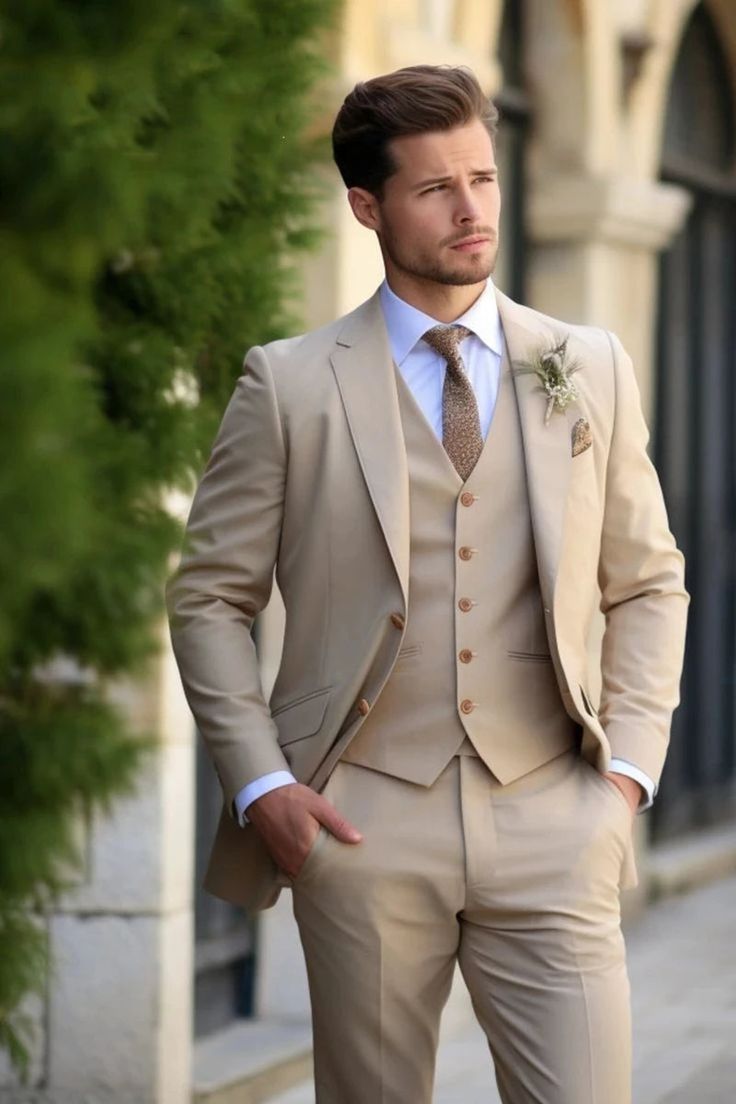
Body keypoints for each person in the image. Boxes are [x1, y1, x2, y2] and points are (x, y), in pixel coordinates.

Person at [167, 64, 689, 1104]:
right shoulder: (291, 382)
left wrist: (625, 775)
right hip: (362, 822)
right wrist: (265, 787)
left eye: (483, 179)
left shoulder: (587, 365)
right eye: (434, 188)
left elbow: (646, 583)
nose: (471, 210)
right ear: (366, 206)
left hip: (554, 811)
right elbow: (209, 597)